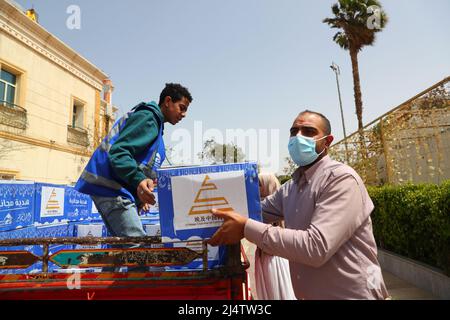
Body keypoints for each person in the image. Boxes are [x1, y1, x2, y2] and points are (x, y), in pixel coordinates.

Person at [208, 110, 390, 300]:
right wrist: (201, 213)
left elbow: (315, 247)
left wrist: (245, 227)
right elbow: (254, 211)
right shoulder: (291, 188)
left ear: (327, 142)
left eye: (309, 131)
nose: (298, 137)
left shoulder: (341, 180)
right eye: (294, 131)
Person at [75, 83, 192, 242]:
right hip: (113, 189)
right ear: (168, 101)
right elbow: (119, 152)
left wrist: (140, 194)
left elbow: (144, 166)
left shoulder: (156, 130)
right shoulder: (148, 118)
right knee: (138, 250)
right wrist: (139, 180)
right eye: (182, 107)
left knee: (121, 251)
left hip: (118, 190)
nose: (184, 114)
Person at [254, 173, 296, 300]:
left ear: (268, 186)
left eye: (259, 184)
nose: (256, 187)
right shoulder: (260, 205)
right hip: (265, 257)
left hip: (274, 259)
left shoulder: (274, 207)